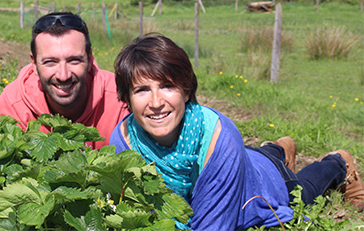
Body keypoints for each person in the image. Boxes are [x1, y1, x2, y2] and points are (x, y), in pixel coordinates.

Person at [109, 33, 364, 230]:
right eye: (141, 90)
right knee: (256, 156)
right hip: (242, 158)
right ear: (127, 99)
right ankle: (279, 149)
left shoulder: (218, 136)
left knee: (301, 193)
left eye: (167, 86)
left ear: (186, 91)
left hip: (259, 182)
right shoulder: (123, 142)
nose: (155, 102)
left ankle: (339, 163)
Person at [0, 12, 128, 150]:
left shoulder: (121, 96)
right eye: (50, 62)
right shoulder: (14, 104)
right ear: (34, 64)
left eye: (74, 60)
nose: (63, 75)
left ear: (89, 59)